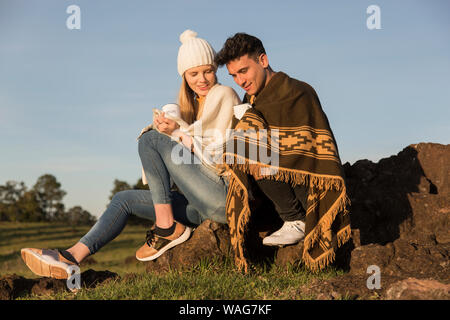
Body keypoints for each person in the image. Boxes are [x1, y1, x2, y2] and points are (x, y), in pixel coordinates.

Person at [20, 29, 241, 279]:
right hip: (198, 208)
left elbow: (216, 154)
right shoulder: (193, 108)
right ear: (184, 77)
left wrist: (175, 133)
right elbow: (185, 154)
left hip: (222, 196)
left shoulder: (224, 95)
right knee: (123, 199)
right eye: (193, 73)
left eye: (208, 70)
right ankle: (70, 257)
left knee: (149, 139)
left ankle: (166, 228)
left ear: (215, 70)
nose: (202, 79)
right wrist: (171, 131)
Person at [215, 33, 351, 272]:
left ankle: (297, 219)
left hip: (310, 185)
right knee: (245, 145)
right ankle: (291, 218)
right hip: (275, 187)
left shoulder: (298, 92)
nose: (240, 81)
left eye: (244, 71)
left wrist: (254, 137)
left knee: (252, 147)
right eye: (234, 75)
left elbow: (315, 147)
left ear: (263, 61)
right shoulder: (252, 99)